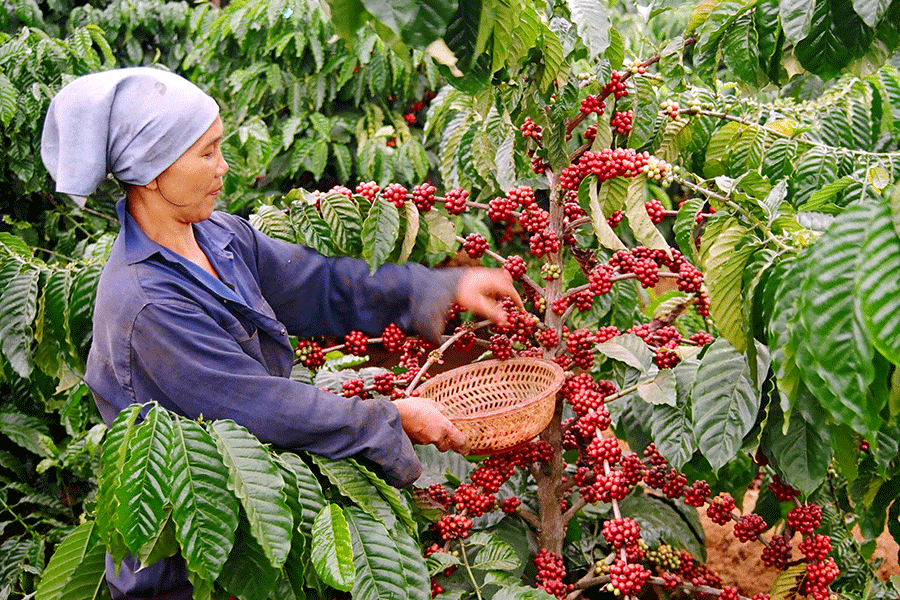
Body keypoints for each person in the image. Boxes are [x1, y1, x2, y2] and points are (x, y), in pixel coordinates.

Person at [41, 67, 523, 600]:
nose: (223, 167)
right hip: (183, 560)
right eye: (206, 153)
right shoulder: (147, 304)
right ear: (153, 170)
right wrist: (392, 417)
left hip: (262, 512)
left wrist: (437, 288)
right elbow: (261, 408)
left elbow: (320, 287)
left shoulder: (219, 236)